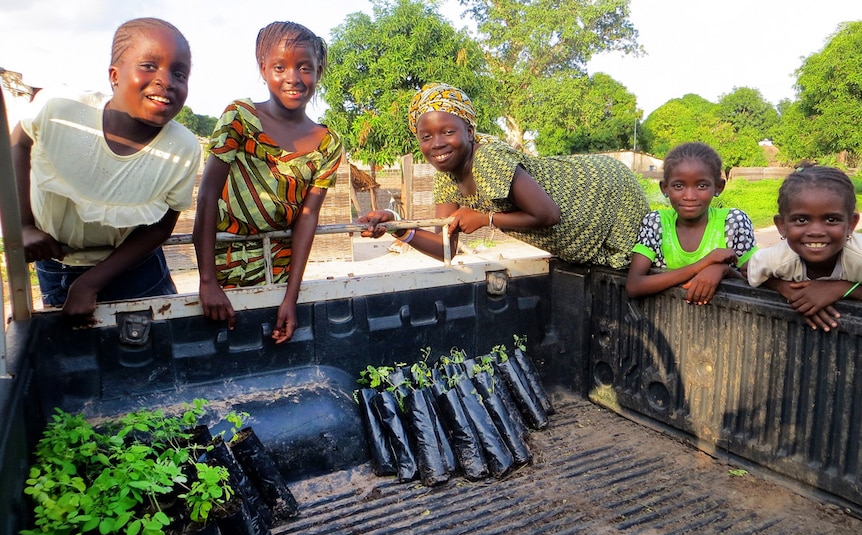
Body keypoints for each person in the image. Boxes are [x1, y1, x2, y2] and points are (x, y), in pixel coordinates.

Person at [11, 17, 200, 321]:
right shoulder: (61, 109)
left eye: (179, 73)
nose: (166, 80)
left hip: (136, 267)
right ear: (114, 75)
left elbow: (163, 226)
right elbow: (18, 144)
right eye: (149, 66)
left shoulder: (182, 148)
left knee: (154, 351)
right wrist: (23, 225)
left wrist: (91, 283)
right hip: (58, 262)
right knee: (78, 357)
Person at [357, 83, 648, 269]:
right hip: (579, 239)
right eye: (426, 136)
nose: (437, 144)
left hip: (607, 193)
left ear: (469, 132)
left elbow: (548, 214)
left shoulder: (487, 158)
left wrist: (486, 219)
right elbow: (446, 248)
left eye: (448, 131)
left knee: (645, 262)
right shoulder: (446, 177)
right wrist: (398, 227)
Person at [193, 21, 343, 344]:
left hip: (282, 267)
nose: (293, 77)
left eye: (305, 67)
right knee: (226, 348)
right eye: (280, 67)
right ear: (263, 69)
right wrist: (207, 281)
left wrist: (291, 296)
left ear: (319, 71)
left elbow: (307, 217)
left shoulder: (328, 144)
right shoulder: (240, 119)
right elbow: (206, 197)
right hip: (226, 263)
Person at [626, 142, 758, 304]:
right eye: (678, 186)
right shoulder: (656, 223)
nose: (689, 196)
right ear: (665, 188)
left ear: (719, 187)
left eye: (702, 185)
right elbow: (634, 286)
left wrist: (723, 269)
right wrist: (704, 263)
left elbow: (753, 281)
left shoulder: (733, 223)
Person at [747, 165, 862, 331]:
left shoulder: (858, 256)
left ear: (851, 224)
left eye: (831, 219)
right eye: (801, 220)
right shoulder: (777, 259)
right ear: (782, 226)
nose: (816, 232)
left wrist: (842, 288)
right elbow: (750, 273)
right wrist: (785, 289)